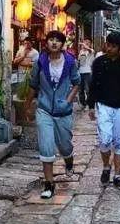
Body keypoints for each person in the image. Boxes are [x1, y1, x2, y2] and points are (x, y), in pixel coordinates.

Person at [27, 30, 80, 199]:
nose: (54, 43)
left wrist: (68, 101)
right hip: (44, 109)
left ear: (62, 44)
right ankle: (49, 184)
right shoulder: (40, 61)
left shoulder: (70, 61)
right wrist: (28, 106)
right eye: (51, 39)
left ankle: (69, 159)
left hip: (63, 111)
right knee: (46, 145)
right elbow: (33, 85)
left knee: (65, 145)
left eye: (58, 40)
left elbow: (77, 83)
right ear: (47, 42)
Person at [87, 32, 120, 190]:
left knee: (119, 142)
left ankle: (117, 175)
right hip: (104, 105)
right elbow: (93, 84)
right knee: (104, 139)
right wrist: (91, 105)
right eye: (108, 45)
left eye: (113, 46)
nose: (109, 48)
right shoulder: (99, 62)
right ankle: (106, 167)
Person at [77, 39, 95, 109]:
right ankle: (82, 103)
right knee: (80, 89)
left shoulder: (91, 51)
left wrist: (85, 46)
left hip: (88, 72)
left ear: (90, 44)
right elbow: (79, 62)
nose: (85, 44)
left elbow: (89, 50)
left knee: (88, 90)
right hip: (80, 72)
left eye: (88, 43)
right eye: (85, 42)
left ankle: (89, 104)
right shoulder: (81, 51)